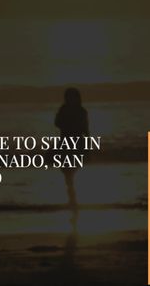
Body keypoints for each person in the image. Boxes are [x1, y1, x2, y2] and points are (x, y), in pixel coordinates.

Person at [55, 88, 89, 217]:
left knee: (70, 173)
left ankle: (73, 200)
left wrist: (88, 146)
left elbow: (86, 129)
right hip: (66, 144)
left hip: (76, 144)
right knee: (68, 174)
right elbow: (57, 123)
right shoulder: (67, 110)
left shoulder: (79, 111)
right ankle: (73, 200)